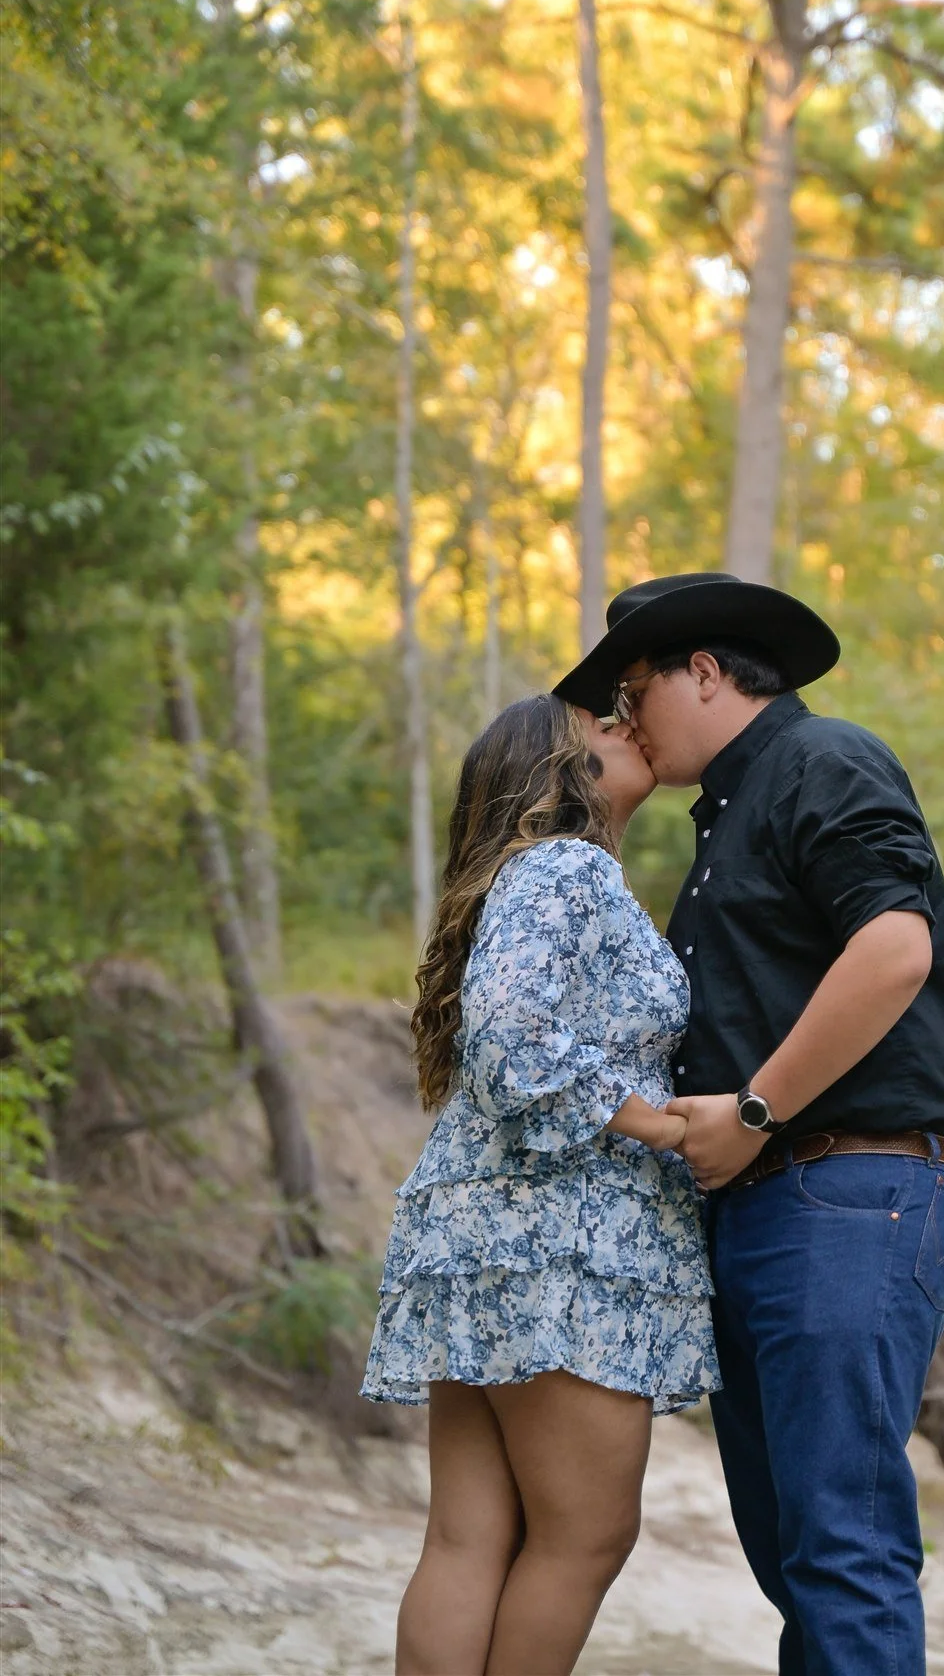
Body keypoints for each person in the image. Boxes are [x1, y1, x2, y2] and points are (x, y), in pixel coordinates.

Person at [555, 571, 944, 1676]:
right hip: (768, 1204)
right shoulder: (724, 818)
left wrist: (752, 1108)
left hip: (849, 1192)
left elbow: (895, 948)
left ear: (704, 669)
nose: (619, 716)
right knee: (796, 1552)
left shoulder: (823, 759)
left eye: (630, 685)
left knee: (842, 1542)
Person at [361, 692, 718, 1676]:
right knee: (584, 1534)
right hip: (561, 1237)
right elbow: (515, 1038)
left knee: (469, 1536)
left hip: (486, 1232)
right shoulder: (567, 868)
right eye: (602, 722)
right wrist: (658, 1119)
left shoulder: (535, 877)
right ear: (557, 769)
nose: (626, 720)